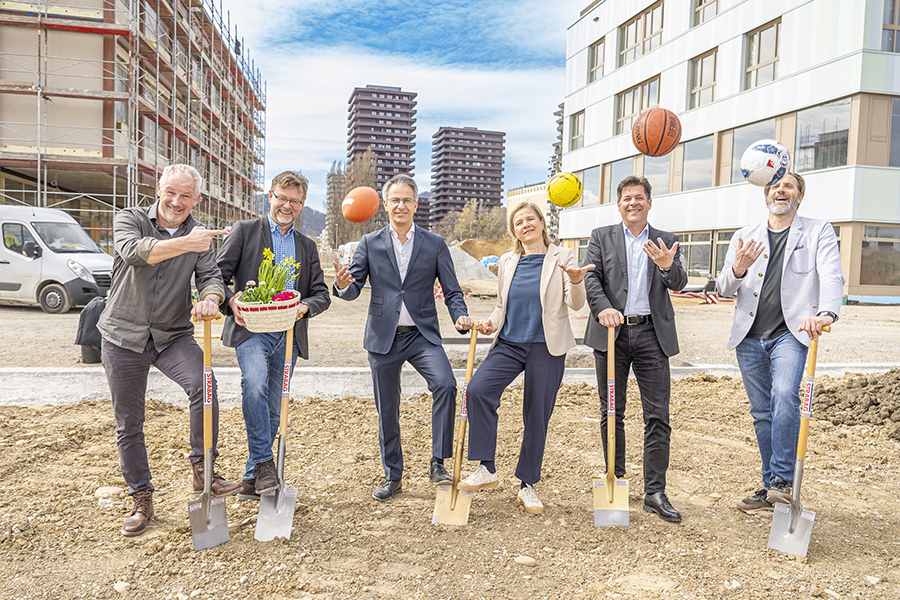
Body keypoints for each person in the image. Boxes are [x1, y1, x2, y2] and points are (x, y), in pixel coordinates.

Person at [97, 164, 239, 537]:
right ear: (159, 189)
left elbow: (211, 277)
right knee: (130, 422)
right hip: (122, 336)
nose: (177, 202)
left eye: (186, 196)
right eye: (171, 193)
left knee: (204, 386)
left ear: (197, 199)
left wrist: (210, 298)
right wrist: (186, 243)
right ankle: (141, 496)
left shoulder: (199, 235)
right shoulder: (130, 218)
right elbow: (134, 252)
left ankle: (203, 472)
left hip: (171, 336)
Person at [333, 174, 473, 501]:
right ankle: (393, 476)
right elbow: (353, 289)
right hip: (383, 337)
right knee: (387, 408)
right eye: (394, 200)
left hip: (422, 335)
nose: (401, 205)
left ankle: (438, 462)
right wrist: (342, 285)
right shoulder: (370, 242)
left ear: (416, 204)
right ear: (385, 204)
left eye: (407, 200)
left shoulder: (435, 244)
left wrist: (460, 316)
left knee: (446, 385)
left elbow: (452, 291)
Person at [716, 172, 844, 514]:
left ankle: (783, 482)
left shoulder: (818, 231)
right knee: (761, 413)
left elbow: (831, 273)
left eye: (789, 185)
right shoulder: (745, 237)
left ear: (799, 197)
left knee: (785, 396)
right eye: (775, 185)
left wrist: (827, 313)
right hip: (749, 336)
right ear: (766, 193)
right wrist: (739, 269)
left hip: (792, 332)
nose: (781, 189)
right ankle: (770, 484)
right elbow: (723, 288)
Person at [457, 203, 593, 514]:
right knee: (477, 390)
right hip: (508, 343)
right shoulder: (507, 260)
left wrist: (575, 280)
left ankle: (527, 485)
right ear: (514, 230)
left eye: (530, 219)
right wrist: (490, 322)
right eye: (519, 222)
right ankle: (486, 467)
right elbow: (501, 306)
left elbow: (575, 304)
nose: (525, 225)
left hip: (546, 345)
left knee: (536, 415)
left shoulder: (563, 257)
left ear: (543, 223)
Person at [216, 171, 331, 500]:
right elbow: (217, 277)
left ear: (302, 205)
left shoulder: (306, 246)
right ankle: (266, 464)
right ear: (270, 196)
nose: (287, 205)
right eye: (282, 197)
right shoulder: (245, 231)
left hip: (289, 334)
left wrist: (304, 307)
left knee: (272, 406)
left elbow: (321, 293)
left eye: (294, 201)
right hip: (252, 330)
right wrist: (230, 299)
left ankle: (253, 478)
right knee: (254, 383)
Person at [582, 174, 687, 523]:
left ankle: (655, 492)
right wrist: (603, 308)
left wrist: (668, 267)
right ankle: (618, 481)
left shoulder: (665, 240)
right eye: (627, 197)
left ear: (649, 202)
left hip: (651, 337)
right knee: (611, 412)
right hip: (610, 335)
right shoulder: (601, 237)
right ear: (619, 204)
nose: (633, 202)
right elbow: (591, 278)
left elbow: (680, 282)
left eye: (639, 197)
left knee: (658, 416)